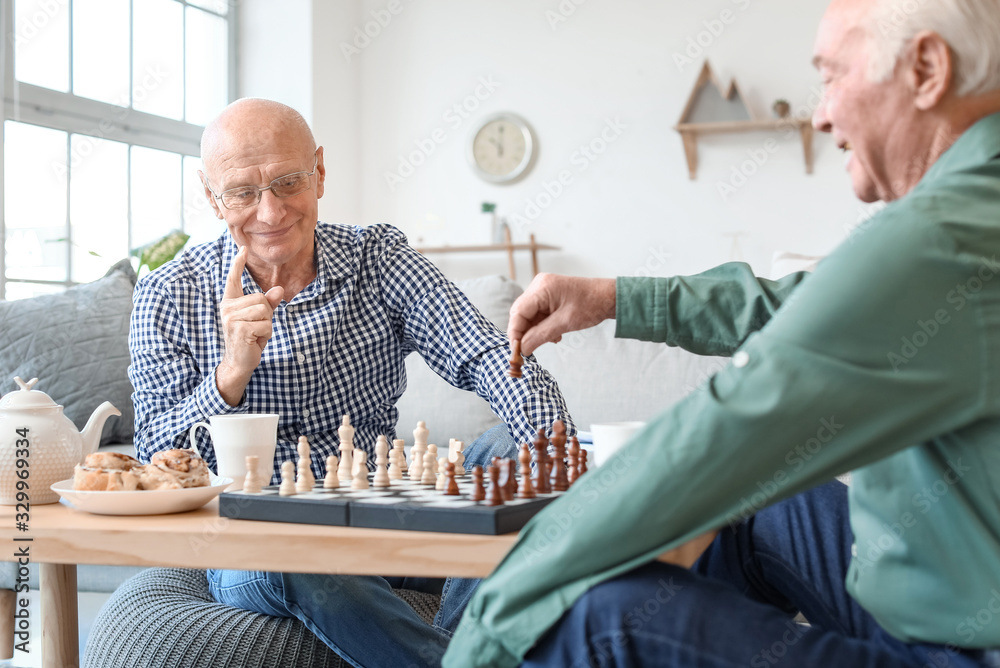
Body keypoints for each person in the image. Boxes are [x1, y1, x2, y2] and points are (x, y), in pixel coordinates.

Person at [443, 0, 1000, 666]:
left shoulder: (942, 236)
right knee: (750, 515)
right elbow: (802, 305)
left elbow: (724, 434)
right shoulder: (972, 207)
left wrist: (488, 623)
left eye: (831, 76)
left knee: (587, 619)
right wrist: (613, 298)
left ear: (927, 68)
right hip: (933, 591)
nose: (821, 114)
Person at [127, 97, 573, 667]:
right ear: (212, 197)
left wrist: (548, 437)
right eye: (242, 192)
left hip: (385, 516)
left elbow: (485, 354)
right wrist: (230, 375)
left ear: (319, 172)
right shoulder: (168, 293)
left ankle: (463, 651)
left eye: (288, 181)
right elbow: (154, 459)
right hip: (256, 543)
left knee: (521, 447)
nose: (269, 212)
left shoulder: (378, 259)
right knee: (286, 550)